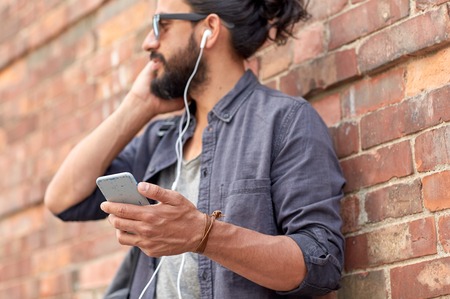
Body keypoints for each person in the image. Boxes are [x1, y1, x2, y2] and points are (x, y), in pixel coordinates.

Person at [44, 0, 346, 298]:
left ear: (209, 29)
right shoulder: (162, 138)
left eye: (161, 26)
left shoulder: (285, 122)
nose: (149, 43)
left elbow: (320, 262)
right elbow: (63, 200)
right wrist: (139, 105)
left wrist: (203, 234)